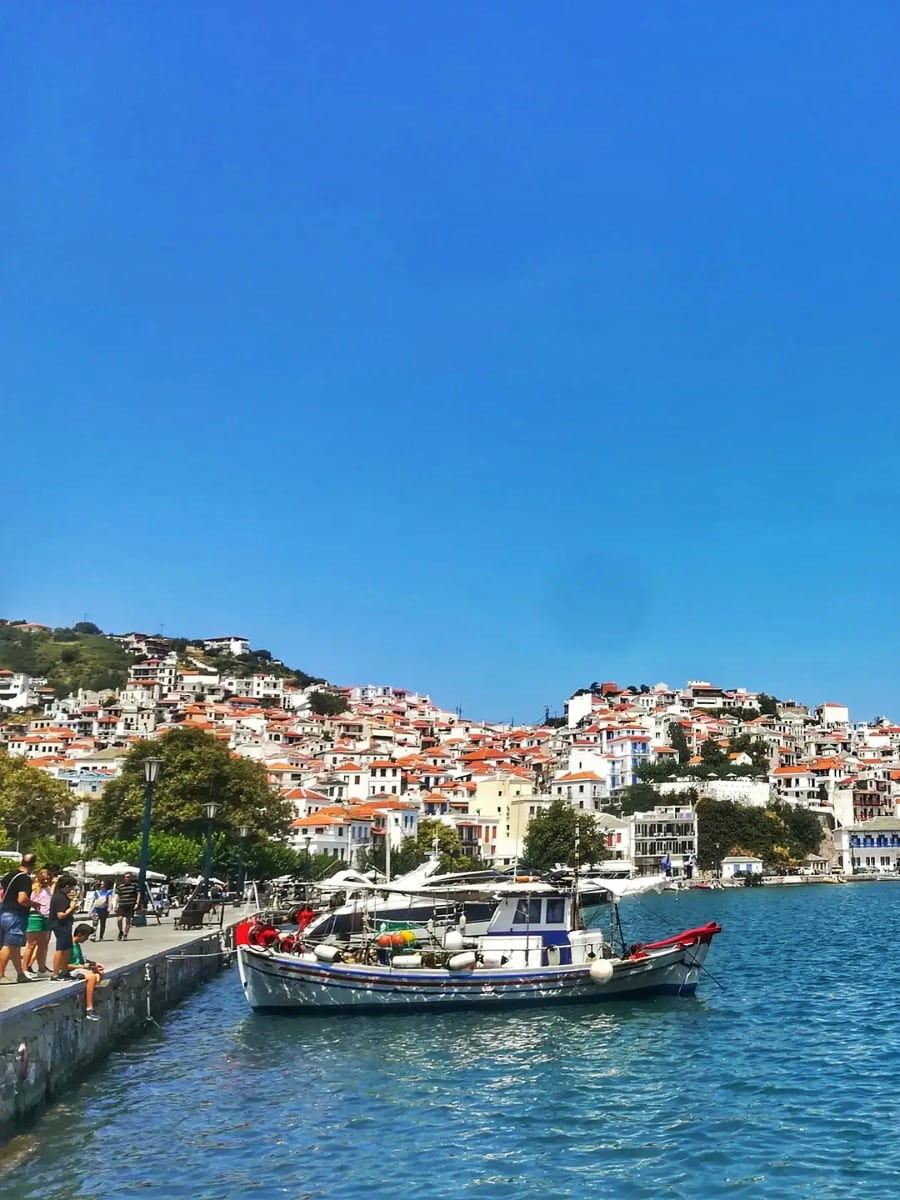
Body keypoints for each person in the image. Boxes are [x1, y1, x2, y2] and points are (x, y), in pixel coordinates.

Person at [0, 853, 39, 983]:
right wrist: (34, 904)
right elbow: (22, 899)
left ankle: (20, 974)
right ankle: (0, 974)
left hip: (4, 913)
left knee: (15, 946)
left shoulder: (10, 875)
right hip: (16, 915)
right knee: (8, 945)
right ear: (33, 865)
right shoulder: (25, 879)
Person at [65, 924, 104, 1020]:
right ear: (79, 934)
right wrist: (83, 967)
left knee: (99, 974)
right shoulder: (69, 946)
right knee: (92, 977)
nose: (86, 939)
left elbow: (82, 961)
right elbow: (65, 965)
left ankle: (91, 997)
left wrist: (95, 964)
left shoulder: (77, 945)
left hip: (80, 968)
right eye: (86, 936)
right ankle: (89, 1009)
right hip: (72, 971)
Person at [23, 868, 54, 977]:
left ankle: (41, 969)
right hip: (35, 916)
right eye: (43, 879)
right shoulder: (34, 888)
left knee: (43, 945)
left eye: (48, 879)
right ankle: (24, 969)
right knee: (31, 944)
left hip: (46, 917)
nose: (46, 881)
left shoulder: (49, 889)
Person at [49, 873, 79, 979]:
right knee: (61, 948)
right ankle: (55, 974)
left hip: (66, 924)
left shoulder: (62, 895)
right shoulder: (59, 897)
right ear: (66, 886)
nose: (72, 890)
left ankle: (64, 971)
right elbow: (60, 915)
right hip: (60, 925)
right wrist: (71, 908)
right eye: (71, 887)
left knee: (67, 948)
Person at [115, 872, 140, 940]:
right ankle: (121, 931)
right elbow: (118, 896)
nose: (126, 878)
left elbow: (138, 894)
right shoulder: (120, 886)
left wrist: (137, 903)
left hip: (130, 905)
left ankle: (125, 934)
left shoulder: (134, 885)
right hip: (122, 905)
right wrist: (116, 905)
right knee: (119, 919)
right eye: (125, 877)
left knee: (128, 920)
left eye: (128, 877)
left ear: (131, 878)